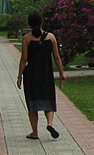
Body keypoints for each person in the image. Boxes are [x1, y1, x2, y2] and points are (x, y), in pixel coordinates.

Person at [17, 11, 66, 140]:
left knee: (32, 104)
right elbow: (56, 57)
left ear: (29, 23)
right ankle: (49, 123)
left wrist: (19, 76)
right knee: (48, 100)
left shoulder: (27, 38)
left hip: (31, 76)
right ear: (41, 21)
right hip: (46, 74)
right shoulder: (51, 37)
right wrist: (61, 73)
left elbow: (24, 59)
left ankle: (35, 133)